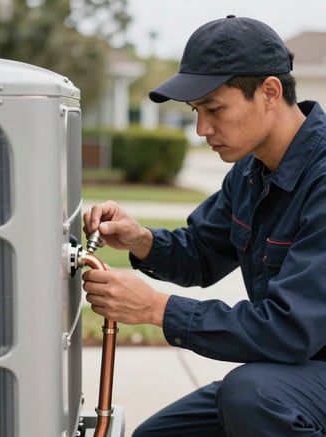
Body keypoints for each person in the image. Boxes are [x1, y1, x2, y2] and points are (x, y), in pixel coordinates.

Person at [82, 15, 326, 436]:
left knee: (251, 395)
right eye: (197, 111)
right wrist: (140, 241)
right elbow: (201, 253)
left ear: (269, 92)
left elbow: (289, 329)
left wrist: (155, 309)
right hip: (298, 372)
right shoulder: (252, 172)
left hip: (300, 368)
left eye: (214, 109)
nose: (202, 129)